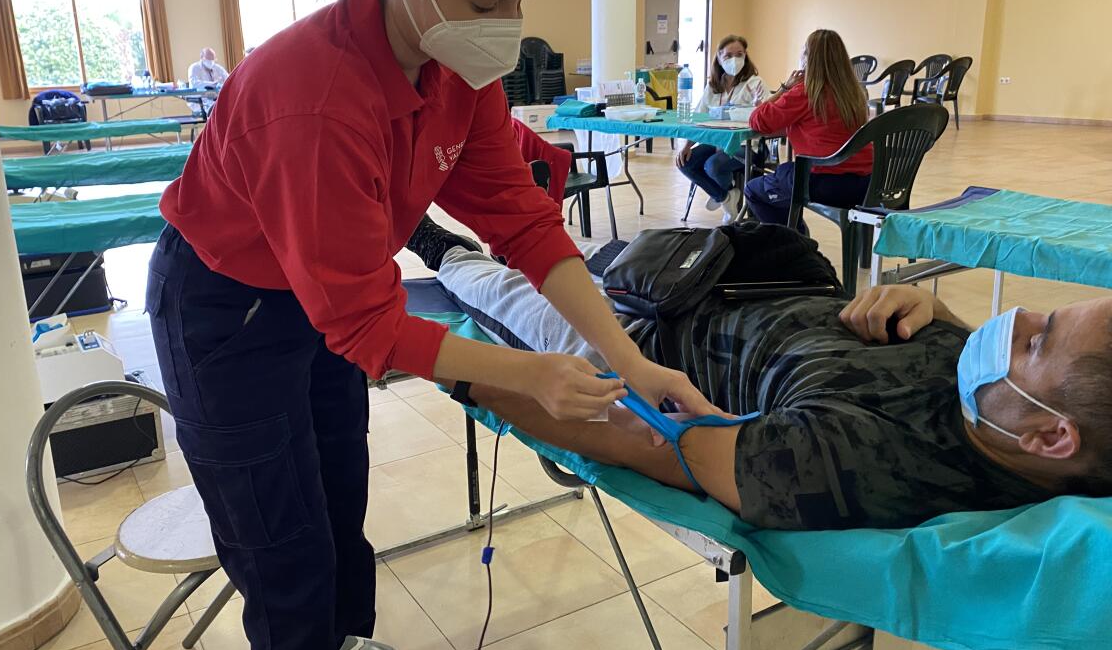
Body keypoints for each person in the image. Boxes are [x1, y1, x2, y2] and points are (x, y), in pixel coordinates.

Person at [145, 0, 713, 650]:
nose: (509, 23)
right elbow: (371, 327)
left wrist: (627, 359)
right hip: (230, 309)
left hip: (318, 296)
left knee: (340, 520)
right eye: (490, 2)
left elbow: (522, 222)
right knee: (284, 552)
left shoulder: (456, 69)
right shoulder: (314, 96)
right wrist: (531, 376)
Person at [407, 226, 1112, 530]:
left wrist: (468, 378)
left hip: (641, 344)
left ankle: (439, 246)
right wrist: (930, 304)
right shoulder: (996, 403)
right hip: (714, 278)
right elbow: (969, 349)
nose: (1016, 320)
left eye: (1037, 342)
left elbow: (636, 439)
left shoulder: (854, 459)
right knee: (569, 255)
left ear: (1053, 438)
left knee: (505, 295)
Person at [745, 29, 872, 228]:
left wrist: (783, 88)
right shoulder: (854, 93)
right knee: (786, 172)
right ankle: (798, 241)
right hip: (867, 182)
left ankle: (797, 244)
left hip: (827, 182)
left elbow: (757, 120)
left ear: (807, 58)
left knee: (754, 189)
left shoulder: (806, 92)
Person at [674, 35, 769, 221]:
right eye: (728, 56)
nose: (734, 60)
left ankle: (723, 195)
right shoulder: (713, 86)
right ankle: (725, 196)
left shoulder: (755, 84)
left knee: (713, 165)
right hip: (717, 141)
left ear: (746, 56)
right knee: (685, 162)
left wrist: (759, 107)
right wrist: (686, 146)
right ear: (718, 57)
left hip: (747, 145)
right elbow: (699, 117)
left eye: (739, 54)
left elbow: (767, 117)